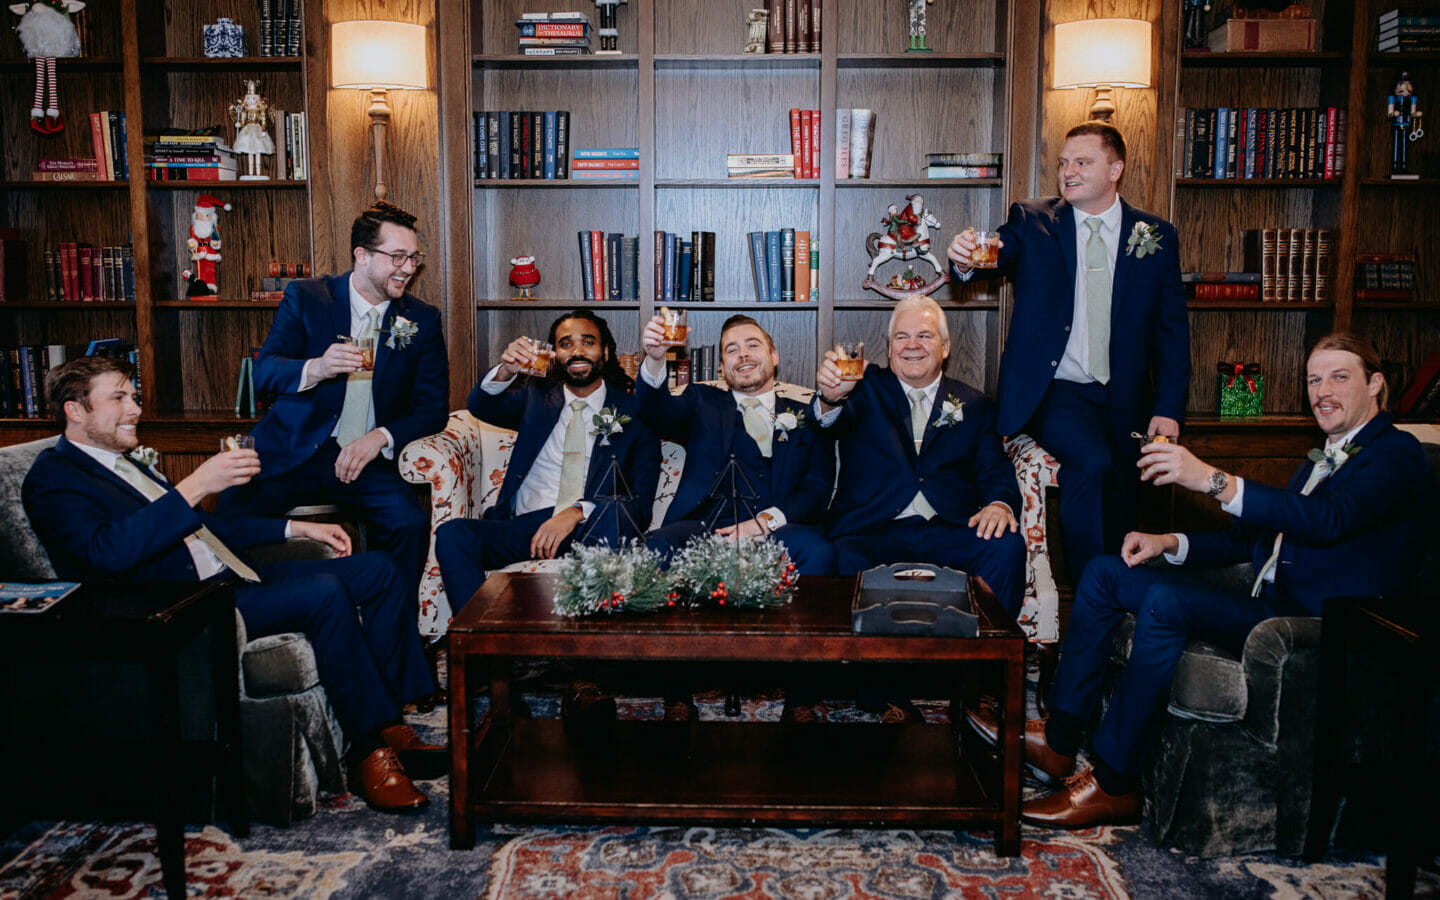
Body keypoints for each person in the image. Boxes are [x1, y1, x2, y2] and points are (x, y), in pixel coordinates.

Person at [966, 334, 1430, 828]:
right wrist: (1168, 542)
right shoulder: (1322, 456)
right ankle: (1060, 739)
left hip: (1307, 622)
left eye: (1339, 377)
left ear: (1375, 384)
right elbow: (1248, 541)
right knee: (1105, 572)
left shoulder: (1397, 455)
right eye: (1314, 380)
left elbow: (1326, 521)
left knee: (1165, 601)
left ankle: (1115, 783)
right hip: (1265, 596)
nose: (1323, 392)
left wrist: (1212, 479)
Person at [22, 356, 441, 813]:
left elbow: (203, 527)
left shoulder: (123, 464)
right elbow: (106, 553)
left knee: (378, 569)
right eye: (119, 398)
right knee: (324, 593)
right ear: (75, 410)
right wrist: (196, 484)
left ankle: (389, 717)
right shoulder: (53, 477)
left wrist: (295, 529)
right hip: (190, 604)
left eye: (134, 397)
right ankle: (367, 751)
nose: (135, 409)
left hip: (234, 576)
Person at [947, 121, 1190, 583]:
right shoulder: (1032, 220)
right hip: (1056, 391)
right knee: (1092, 463)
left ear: (1115, 169)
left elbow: (1172, 331)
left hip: (1127, 396)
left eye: (1082, 162)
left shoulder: (1155, 234)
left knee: (1126, 483)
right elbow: (992, 257)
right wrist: (964, 259)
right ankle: (1090, 590)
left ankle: (1121, 594)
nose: (1068, 172)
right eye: (1063, 163)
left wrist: (1169, 408)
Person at [217, 201, 448, 606]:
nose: (408, 268)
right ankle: (251, 607)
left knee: (409, 524)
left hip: (366, 458)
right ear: (362, 255)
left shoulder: (422, 319)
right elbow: (264, 372)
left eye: (414, 257)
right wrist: (318, 368)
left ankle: (390, 626)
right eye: (397, 257)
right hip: (294, 449)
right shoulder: (308, 297)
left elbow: (432, 408)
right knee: (228, 512)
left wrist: (379, 437)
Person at [814, 294, 1025, 722]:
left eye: (925, 336)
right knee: (841, 554)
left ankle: (975, 685)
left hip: (947, 529)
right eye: (902, 337)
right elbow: (828, 420)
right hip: (874, 529)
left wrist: (999, 503)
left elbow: (994, 470)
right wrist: (830, 398)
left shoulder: (975, 405)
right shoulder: (863, 389)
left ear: (945, 347)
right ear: (889, 347)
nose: (912, 345)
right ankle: (884, 693)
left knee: (1006, 547)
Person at [434, 309, 659, 616]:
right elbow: (481, 406)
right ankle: (484, 640)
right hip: (526, 527)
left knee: (616, 513)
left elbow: (640, 504)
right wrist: (506, 370)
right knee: (453, 535)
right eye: (566, 344)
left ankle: (594, 638)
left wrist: (577, 511)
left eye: (588, 342)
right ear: (554, 354)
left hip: (591, 529)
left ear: (605, 352)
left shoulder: (636, 414)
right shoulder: (534, 398)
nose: (577, 351)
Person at [636, 313, 835, 575]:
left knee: (817, 551)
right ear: (721, 367)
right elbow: (655, 413)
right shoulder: (701, 402)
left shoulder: (810, 415)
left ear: (774, 357)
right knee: (655, 547)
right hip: (705, 528)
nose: (743, 354)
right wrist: (655, 358)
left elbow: (816, 489)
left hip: (780, 529)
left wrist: (765, 522)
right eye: (732, 350)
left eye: (753, 345)